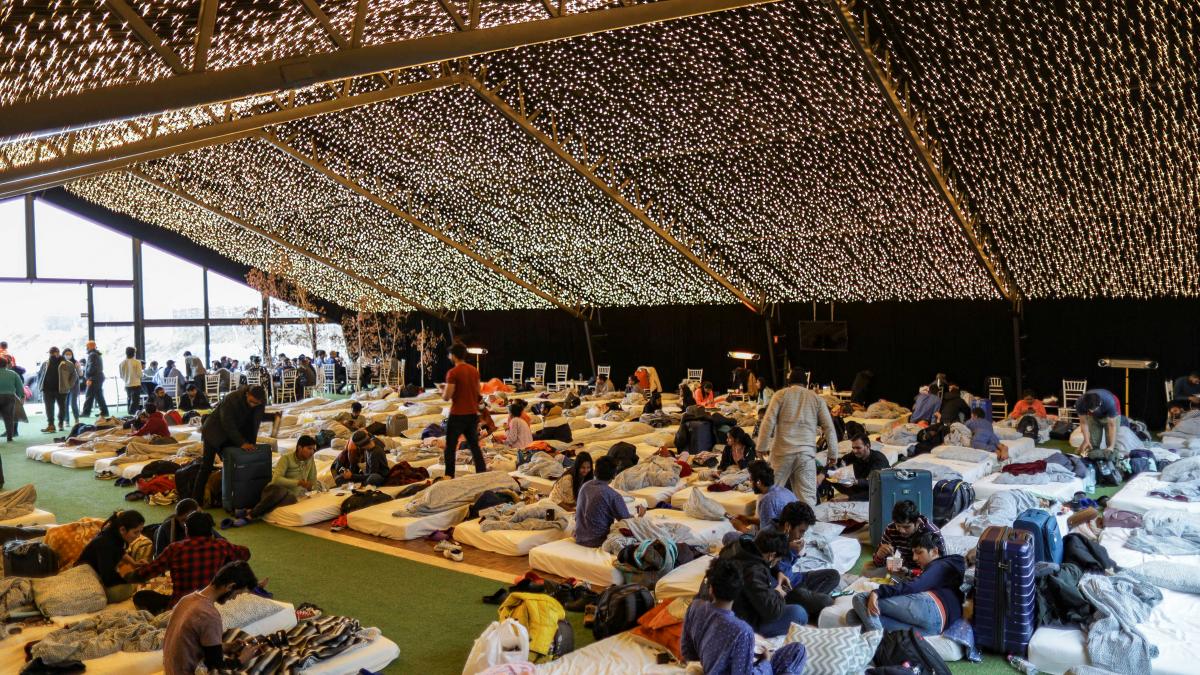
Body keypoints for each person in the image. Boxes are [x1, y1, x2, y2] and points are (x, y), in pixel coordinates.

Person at [681, 557, 808, 675]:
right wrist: (765, 663)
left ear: (711, 588)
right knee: (798, 651)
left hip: (709, 667)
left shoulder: (695, 607)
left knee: (793, 650)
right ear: (738, 591)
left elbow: (688, 652)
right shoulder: (742, 631)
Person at [129, 511, 251, 614]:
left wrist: (130, 574)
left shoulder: (175, 548)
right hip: (211, 604)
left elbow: (147, 572)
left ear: (187, 529)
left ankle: (164, 614)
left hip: (181, 607)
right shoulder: (222, 545)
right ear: (210, 530)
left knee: (140, 597)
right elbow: (246, 553)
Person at [851, 532, 965, 636]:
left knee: (861, 598)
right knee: (853, 617)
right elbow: (924, 580)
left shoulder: (941, 564)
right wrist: (909, 573)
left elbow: (915, 586)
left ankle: (877, 644)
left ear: (935, 551)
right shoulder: (946, 570)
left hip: (933, 608)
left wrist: (878, 592)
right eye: (913, 553)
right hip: (936, 627)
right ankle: (881, 640)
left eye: (919, 552)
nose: (915, 558)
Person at [756, 368, 839, 506]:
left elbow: (768, 421)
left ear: (789, 382)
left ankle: (763, 524)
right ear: (806, 383)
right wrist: (833, 452)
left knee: (769, 492)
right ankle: (808, 527)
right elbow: (829, 427)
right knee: (806, 498)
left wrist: (762, 446)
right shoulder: (816, 399)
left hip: (782, 452)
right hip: (806, 455)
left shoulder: (780, 395)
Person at [162, 560, 262, 675]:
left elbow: (193, 646)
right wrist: (242, 659)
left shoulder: (186, 599)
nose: (234, 599)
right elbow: (217, 667)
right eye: (237, 594)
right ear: (230, 586)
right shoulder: (209, 615)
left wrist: (227, 647)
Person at [717, 529, 809, 638]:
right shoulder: (753, 572)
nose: (777, 563)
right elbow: (771, 612)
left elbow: (765, 562)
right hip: (741, 621)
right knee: (799, 613)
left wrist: (778, 572)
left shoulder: (738, 546)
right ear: (771, 555)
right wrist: (778, 593)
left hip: (723, 604)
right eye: (778, 560)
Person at [763, 501, 839, 620]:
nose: (801, 536)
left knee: (833, 575)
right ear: (788, 526)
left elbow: (787, 567)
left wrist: (796, 553)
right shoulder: (768, 538)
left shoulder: (787, 534)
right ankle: (810, 605)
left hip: (795, 579)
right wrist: (789, 549)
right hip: (785, 590)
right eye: (801, 531)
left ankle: (810, 605)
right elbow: (768, 574)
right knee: (826, 601)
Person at [193, 385, 266, 503]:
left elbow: (254, 423)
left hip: (232, 433)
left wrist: (251, 444)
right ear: (247, 394)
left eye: (256, 403)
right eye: (251, 402)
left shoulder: (260, 401)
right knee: (207, 466)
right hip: (214, 431)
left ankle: (230, 497)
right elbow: (227, 423)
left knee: (234, 464)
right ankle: (196, 500)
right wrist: (242, 443)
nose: (253, 405)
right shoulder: (231, 398)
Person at [233, 434, 317, 525]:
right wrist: (298, 483)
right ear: (300, 448)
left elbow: (313, 480)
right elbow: (277, 479)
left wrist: (311, 486)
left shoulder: (310, 460)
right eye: (309, 448)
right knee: (281, 491)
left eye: (313, 449)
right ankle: (249, 517)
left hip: (290, 495)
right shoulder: (286, 458)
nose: (312, 452)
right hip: (273, 491)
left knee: (292, 498)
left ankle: (248, 511)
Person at [75, 510, 145, 603]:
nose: (139, 536)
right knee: (125, 590)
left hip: (100, 573)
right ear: (123, 530)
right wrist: (130, 580)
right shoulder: (106, 544)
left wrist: (133, 563)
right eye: (136, 532)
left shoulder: (114, 533)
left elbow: (119, 550)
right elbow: (108, 578)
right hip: (85, 579)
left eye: (140, 532)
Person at [573, 455, 644, 547]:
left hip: (579, 537)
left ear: (595, 471)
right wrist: (640, 516)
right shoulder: (613, 495)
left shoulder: (585, 486)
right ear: (614, 475)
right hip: (597, 541)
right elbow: (626, 522)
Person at [440, 342, 485, 478]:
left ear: (453, 356)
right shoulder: (474, 371)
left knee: (450, 447)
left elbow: (447, 397)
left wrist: (442, 390)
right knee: (474, 446)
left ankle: (449, 475)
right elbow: (478, 393)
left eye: (450, 354)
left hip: (458, 414)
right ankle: (481, 473)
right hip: (472, 414)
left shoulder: (453, 373)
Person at [871, 500, 945, 572]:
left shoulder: (931, 533)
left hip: (927, 572)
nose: (902, 530)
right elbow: (878, 564)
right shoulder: (891, 529)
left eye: (907, 527)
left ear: (918, 522)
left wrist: (913, 572)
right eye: (898, 526)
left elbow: (941, 566)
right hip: (904, 570)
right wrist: (879, 555)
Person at [731, 461, 796, 534]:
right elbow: (772, 523)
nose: (750, 483)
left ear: (758, 482)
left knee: (730, 536)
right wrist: (749, 520)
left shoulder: (767, 500)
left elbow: (765, 537)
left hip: (780, 540)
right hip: (787, 535)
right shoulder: (785, 491)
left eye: (751, 480)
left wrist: (741, 528)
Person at [828, 432, 890, 501]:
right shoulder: (855, 455)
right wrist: (835, 469)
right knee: (827, 474)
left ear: (867, 446)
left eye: (858, 448)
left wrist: (854, 482)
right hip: (859, 487)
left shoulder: (879, 459)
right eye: (853, 448)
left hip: (875, 489)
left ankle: (848, 497)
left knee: (875, 492)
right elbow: (842, 461)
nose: (855, 451)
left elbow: (872, 481)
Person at [1076, 388, 1127, 459]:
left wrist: (1111, 447)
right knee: (1093, 442)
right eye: (1089, 410)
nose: (1092, 411)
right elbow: (1083, 423)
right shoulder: (1080, 403)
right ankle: (1094, 458)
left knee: (1110, 443)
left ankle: (1113, 458)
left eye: (1093, 409)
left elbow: (1112, 426)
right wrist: (1086, 440)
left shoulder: (1110, 402)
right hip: (1095, 415)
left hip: (1110, 413)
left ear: (1099, 404)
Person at [37, 346, 76, 432]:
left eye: (53, 353)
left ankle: (60, 423)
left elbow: (74, 376)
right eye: (50, 353)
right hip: (47, 390)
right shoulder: (45, 363)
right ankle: (51, 425)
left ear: (58, 353)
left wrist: (68, 385)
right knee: (49, 408)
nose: (51, 355)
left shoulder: (67, 364)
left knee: (62, 407)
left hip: (61, 390)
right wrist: (40, 386)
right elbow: (40, 375)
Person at [0, 357, 26, 442]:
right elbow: (20, 386)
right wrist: (22, 396)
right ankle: (9, 437)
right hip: (9, 397)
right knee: (9, 417)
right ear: (6, 364)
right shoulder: (13, 374)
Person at [118, 347, 144, 415]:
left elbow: (121, 376)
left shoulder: (121, 363)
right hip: (136, 384)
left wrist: (126, 379)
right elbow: (140, 374)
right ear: (134, 353)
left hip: (127, 384)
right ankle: (132, 414)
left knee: (129, 399)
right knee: (135, 401)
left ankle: (130, 413)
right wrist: (142, 375)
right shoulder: (137, 362)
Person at [62, 348, 83, 424]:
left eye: (69, 354)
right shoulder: (61, 363)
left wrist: (78, 367)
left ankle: (76, 419)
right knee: (64, 403)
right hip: (64, 386)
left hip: (74, 386)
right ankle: (66, 420)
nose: (68, 355)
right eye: (66, 354)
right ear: (63, 354)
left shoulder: (76, 362)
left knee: (73, 402)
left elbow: (81, 374)